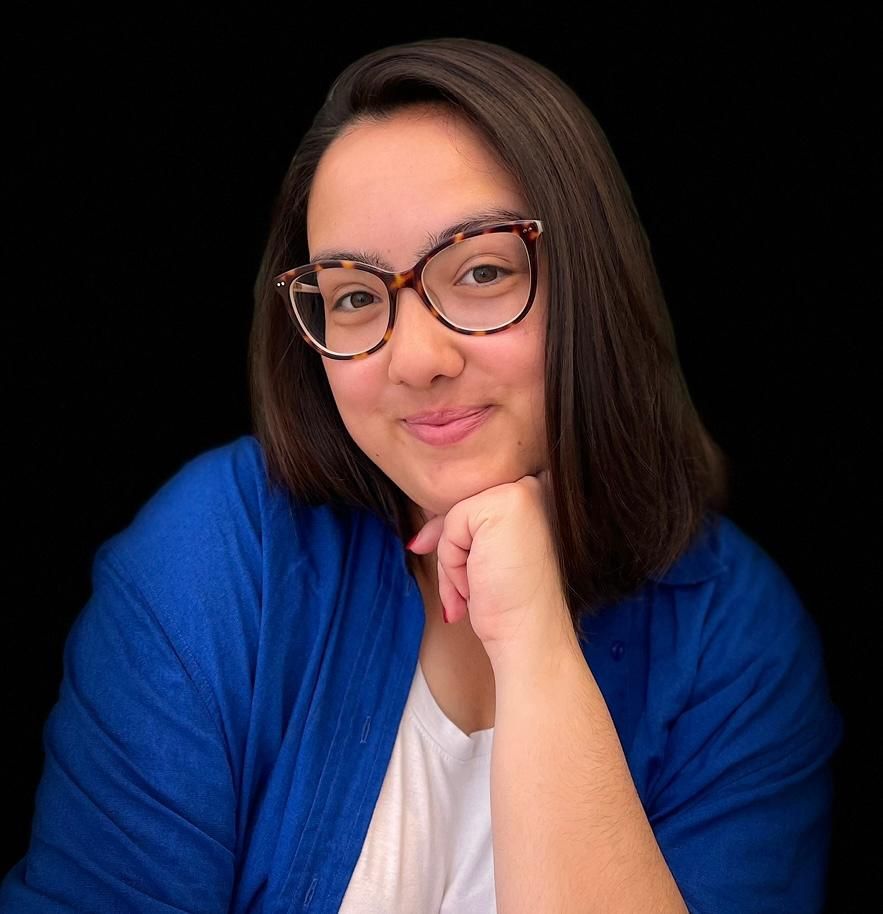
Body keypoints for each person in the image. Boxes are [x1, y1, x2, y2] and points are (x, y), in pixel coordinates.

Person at [0, 37, 843, 914]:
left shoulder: (737, 640)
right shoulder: (208, 565)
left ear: (590, 285)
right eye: (356, 296)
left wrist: (534, 647)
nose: (417, 359)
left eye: (480, 271)